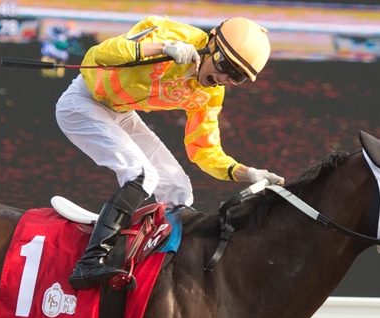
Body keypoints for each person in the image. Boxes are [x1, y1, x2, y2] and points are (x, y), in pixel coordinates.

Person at [57, 15, 284, 290]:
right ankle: (91, 261)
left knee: (178, 188)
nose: (222, 78)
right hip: (82, 102)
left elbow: (204, 150)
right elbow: (97, 56)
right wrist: (163, 48)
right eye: (224, 64)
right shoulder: (170, 33)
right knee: (142, 175)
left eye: (235, 77)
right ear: (211, 43)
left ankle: (169, 268)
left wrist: (248, 173)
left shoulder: (210, 95)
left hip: (121, 113)